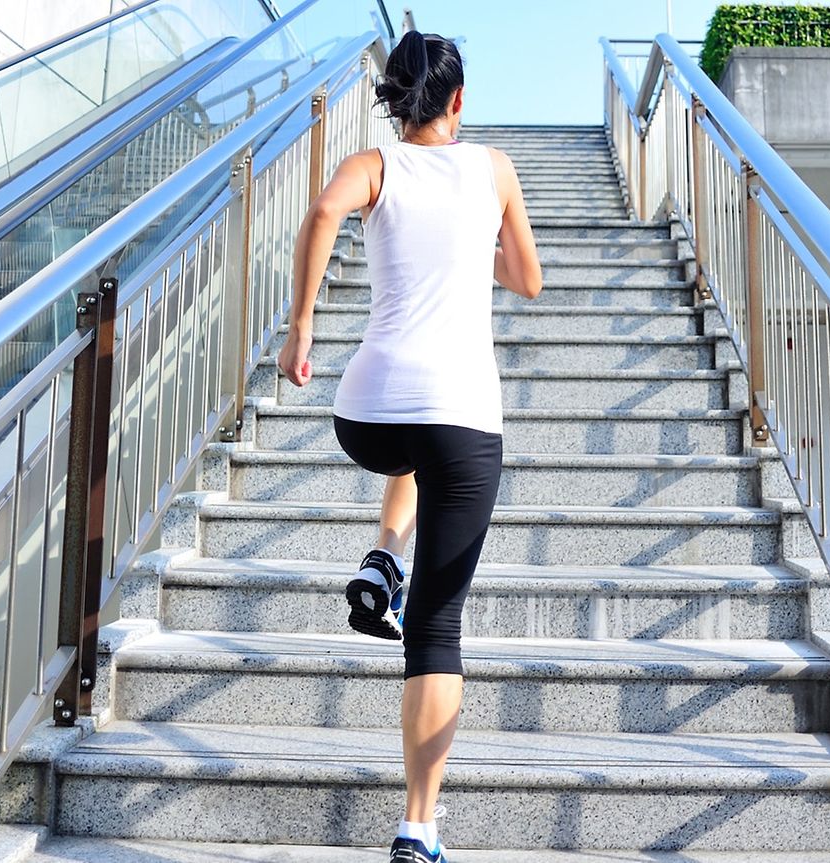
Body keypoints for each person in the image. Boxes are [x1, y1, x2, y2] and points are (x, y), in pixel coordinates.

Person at [276, 30, 543, 863]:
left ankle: (386, 554)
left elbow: (322, 213)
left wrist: (301, 327)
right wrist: (471, 249)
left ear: (396, 100)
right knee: (436, 628)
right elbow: (529, 279)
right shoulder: (494, 170)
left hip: (368, 414)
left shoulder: (373, 166)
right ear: (458, 100)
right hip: (464, 418)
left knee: (415, 455)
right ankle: (418, 825)